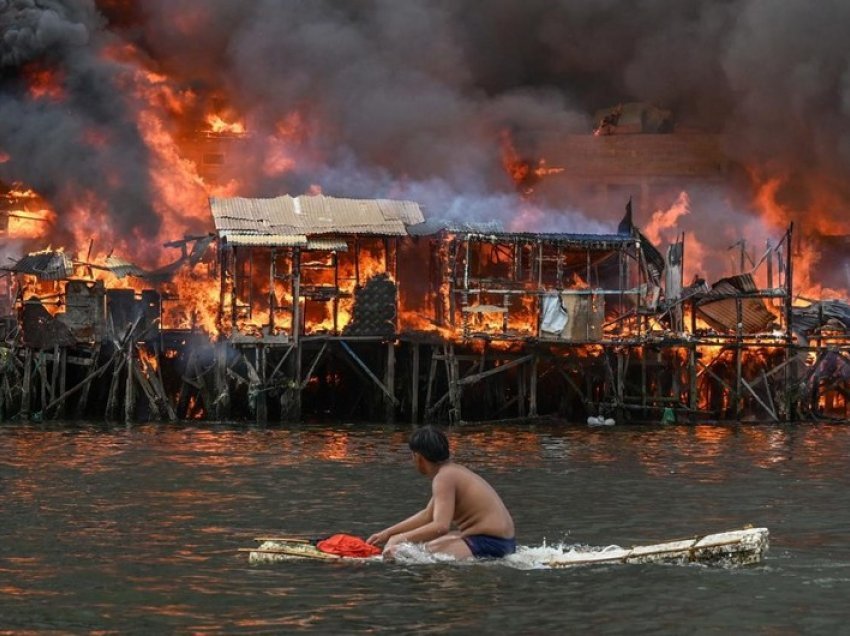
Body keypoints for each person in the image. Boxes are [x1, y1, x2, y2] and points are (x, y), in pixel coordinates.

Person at [367, 425, 516, 561]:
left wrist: (398, 539)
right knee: (419, 548)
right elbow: (428, 515)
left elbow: (440, 526)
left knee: (411, 555)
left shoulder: (444, 478)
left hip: (491, 543)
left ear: (418, 457)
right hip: (503, 542)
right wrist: (387, 534)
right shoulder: (451, 472)